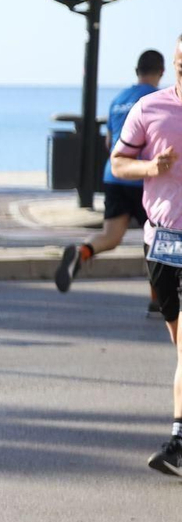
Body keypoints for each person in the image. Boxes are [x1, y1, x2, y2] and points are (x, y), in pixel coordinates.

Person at [109, 35, 182, 478]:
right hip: (162, 243)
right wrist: (151, 168)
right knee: (179, 345)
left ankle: (178, 441)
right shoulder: (150, 108)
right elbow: (118, 163)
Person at [57, 48, 168, 292]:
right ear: (162, 71)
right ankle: (157, 299)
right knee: (157, 239)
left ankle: (81, 252)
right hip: (143, 178)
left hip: (115, 175)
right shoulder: (159, 101)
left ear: (137, 71)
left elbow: (110, 143)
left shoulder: (118, 100)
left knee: (111, 236)